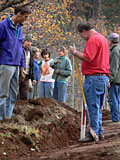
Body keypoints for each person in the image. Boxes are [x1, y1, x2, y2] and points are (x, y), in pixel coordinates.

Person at [70, 21, 110, 142]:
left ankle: (93, 133)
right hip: (102, 77)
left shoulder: (93, 40)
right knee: (97, 106)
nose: (82, 38)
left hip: (93, 78)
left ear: (84, 31)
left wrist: (75, 52)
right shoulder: (103, 39)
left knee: (92, 106)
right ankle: (99, 131)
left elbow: (88, 57)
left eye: (81, 35)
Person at [0, 6, 31, 122]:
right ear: (18, 14)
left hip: (17, 65)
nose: (26, 19)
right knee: (3, 93)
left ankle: (7, 117)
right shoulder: (3, 26)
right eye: (25, 17)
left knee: (13, 93)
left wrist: (22, 65)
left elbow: (20, 48)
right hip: (5, 64)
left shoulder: (19, 28)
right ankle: (1, 118)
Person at [19, 34, 36, 100]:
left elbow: (32, 65)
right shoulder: (20, 49)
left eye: (30, 42)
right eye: (28, 41)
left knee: (24, 93)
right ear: (24, 41)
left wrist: (33, 78)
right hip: (19, 73)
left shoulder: (31, 52)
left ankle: (23, 107)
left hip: (27, 75)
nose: (29, 43)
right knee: (16, 91)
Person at [107, 33, 120, 122]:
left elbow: (114, 67)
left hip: (115, 80)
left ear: (111, 41)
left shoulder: (115, 51)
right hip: (118, 79)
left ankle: (115, 119)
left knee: (113, 100)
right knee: (116, 99)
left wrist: (109, 79)